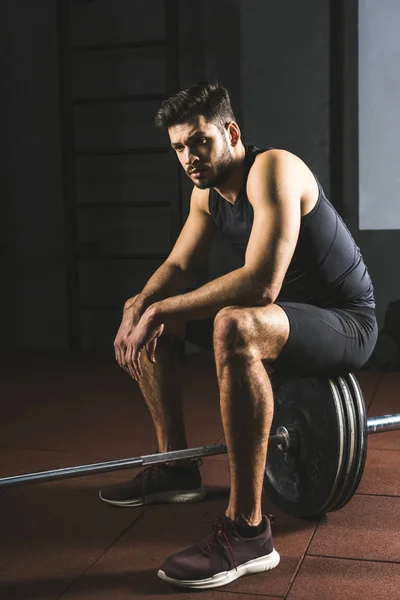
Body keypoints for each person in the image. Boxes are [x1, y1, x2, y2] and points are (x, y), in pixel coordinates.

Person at [99, 82, 378, 589]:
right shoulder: (206, 194)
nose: (189, 157)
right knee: (153, 312)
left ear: (231, 132)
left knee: (232, 322)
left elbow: (260, 283)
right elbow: (180, 263)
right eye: (180, 147)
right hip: (286, 319)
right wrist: (141, 306)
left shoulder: (273, 169)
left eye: (200, 141)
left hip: (345, 321)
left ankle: (248, 532)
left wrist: (158, 307)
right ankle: (176, 467)